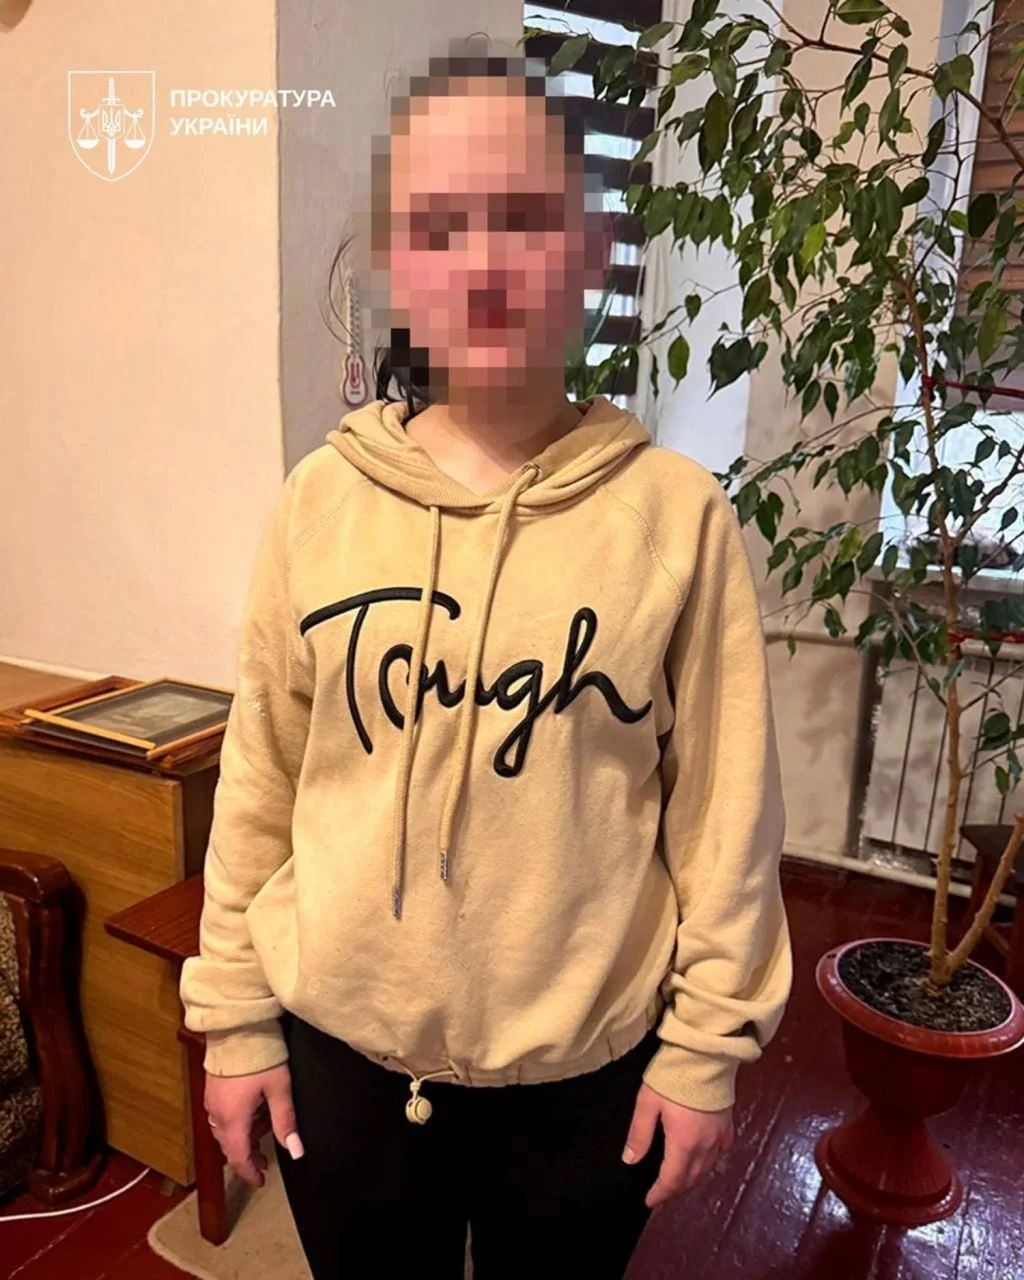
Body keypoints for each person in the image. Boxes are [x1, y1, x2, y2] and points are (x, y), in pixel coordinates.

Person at [178, 40, 793, 1280]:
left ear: (593, 248)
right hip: (341, 1059)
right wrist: (235, 1016)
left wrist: (702, 1050)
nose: (487, 260)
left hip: (585, 1074)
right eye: (440, 224)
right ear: (397, 263)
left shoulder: (675, 517)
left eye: (526, 216)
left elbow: (725, 815)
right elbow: (261, 780)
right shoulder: (319, 501)